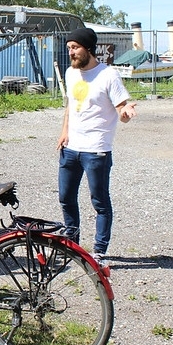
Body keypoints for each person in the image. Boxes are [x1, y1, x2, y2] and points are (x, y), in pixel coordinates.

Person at [56, 27, 137, 263]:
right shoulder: (71, 73)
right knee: (66, 197)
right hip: (71, 148)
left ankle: (99, 251)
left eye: (75, 48)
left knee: (99, 203)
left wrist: (126, 113)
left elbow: (121, 108)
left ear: (88, 49)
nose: (71, 53)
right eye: (69, 48)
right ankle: (72, 245)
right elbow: (70, 105)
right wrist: (64, 132)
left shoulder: (108, 75)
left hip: (96, 150)